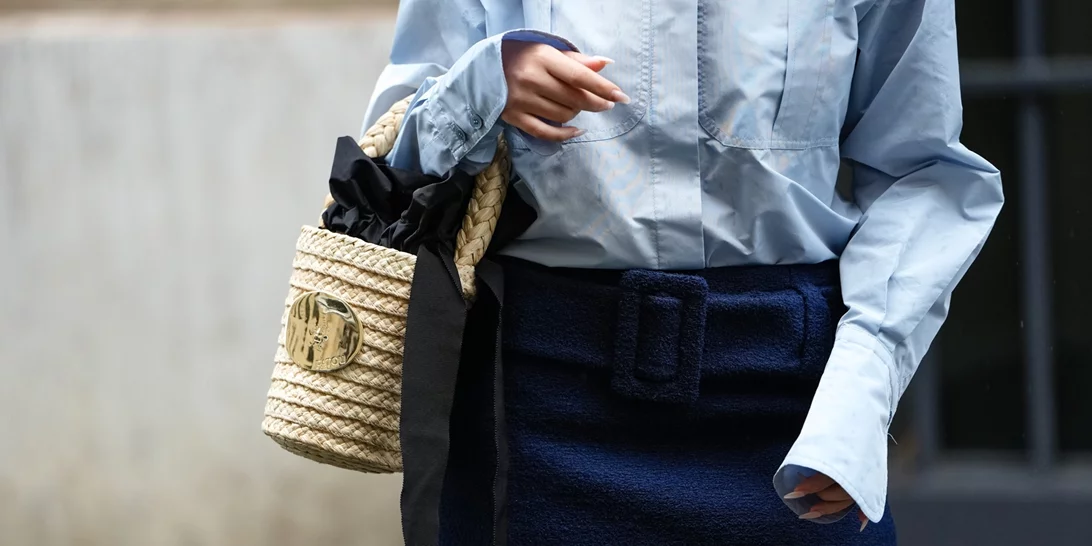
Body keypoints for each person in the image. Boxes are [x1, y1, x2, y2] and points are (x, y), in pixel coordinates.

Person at [361, 0, 1004, 544]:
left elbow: (923, 172)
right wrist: (485, 85)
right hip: (533, 407)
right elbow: (390, 168)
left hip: (792, 415)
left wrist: (860, 396)